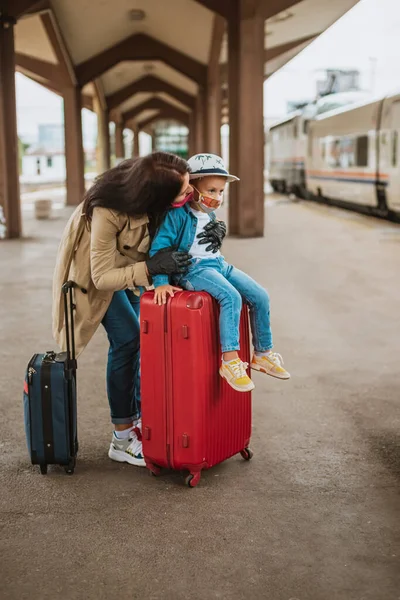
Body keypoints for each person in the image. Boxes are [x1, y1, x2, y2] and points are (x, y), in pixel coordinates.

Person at [52, 152, 227, 467]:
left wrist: (211, 229)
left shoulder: (163, 187)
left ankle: (139, 420)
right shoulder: (108, 210)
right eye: (185, 192)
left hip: (134, 269)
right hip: (97, 278)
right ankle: (121, 438)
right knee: (128, 340)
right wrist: (150, 267)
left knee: (144, 342)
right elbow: (102, 276)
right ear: (156, 196)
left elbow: (191, 217)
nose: (191, 195)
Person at [149, 153, 290, 393]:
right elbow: (159, 250)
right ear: (191, 188)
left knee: (260, 295)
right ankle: (230, 361)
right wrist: (161, 281)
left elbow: (207, 246)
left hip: (218, 264)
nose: (217, 197)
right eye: (211, 190)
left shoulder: (209, 213)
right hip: (192, 270)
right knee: (231, 297)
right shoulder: (176, 216)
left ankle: (263, 354)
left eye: (221, 192)